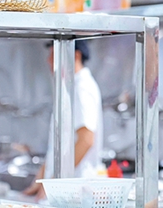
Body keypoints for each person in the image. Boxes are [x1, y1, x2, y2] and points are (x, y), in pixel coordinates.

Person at [25, 40, 104, 197]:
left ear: (76, 56)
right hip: (63, 190)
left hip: (74, 191)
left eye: (54, 55)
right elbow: (60, 146)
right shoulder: (70, 87)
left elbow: (86, 140)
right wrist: (40, 180)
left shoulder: (82, 88)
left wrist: (54, 183)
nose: (48, 60)